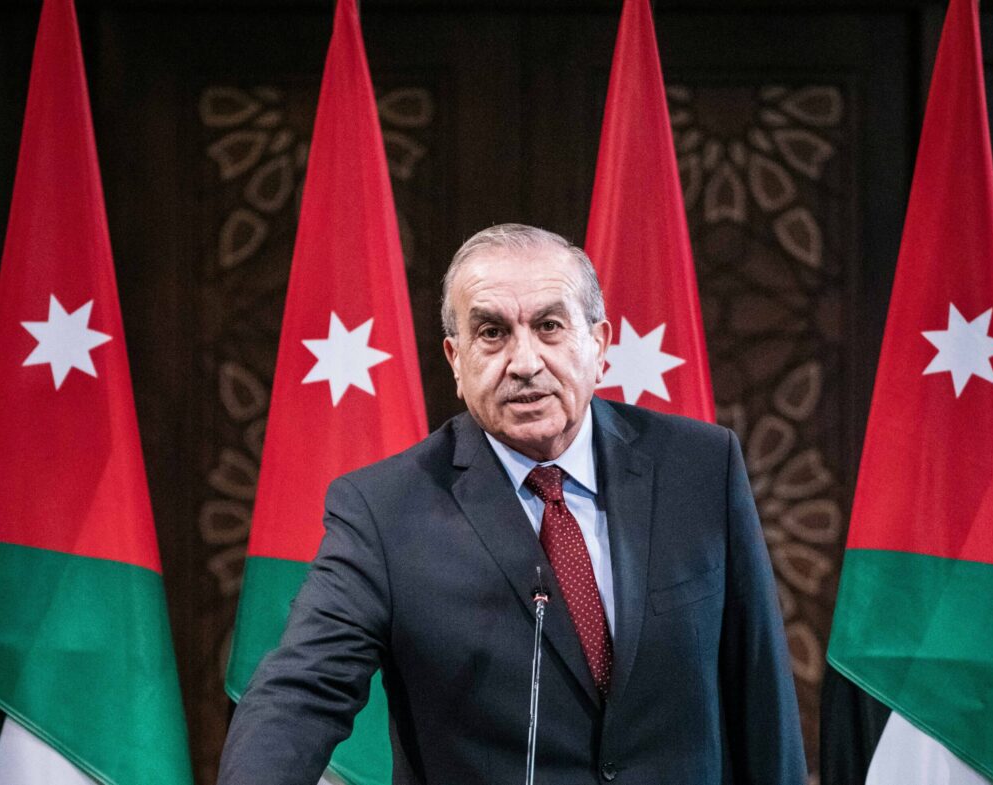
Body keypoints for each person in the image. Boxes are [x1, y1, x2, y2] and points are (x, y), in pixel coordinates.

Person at [218, 224, 805, 784]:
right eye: (492, 332)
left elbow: (760, 696)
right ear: (455, 359)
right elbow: (301, 691)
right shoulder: (383, 511)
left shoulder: (700, 468)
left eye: (549, 326)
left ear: (599, 345)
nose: (524, 363)